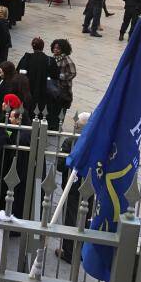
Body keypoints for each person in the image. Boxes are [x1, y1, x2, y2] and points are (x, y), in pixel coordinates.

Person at [56, 112, 92, 263]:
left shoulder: (70, 142)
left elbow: (59, 166)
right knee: (86, 217)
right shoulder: (95, 142)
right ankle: (82, 251)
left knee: (70, 218)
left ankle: (69, 252)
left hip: (73, 186)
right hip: (89, 186)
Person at [17, 37, 56, 120]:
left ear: (32, 46)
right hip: (44, 95)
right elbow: (55, 76)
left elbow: (19, 73)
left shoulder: (26, 58)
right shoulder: (50, 61)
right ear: (43, 46)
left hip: (27, 93)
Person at [46, 39, 75, 131]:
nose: (55, 50)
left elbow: (72, 73)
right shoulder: (53, 58)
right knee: (53, 108)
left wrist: (60, 76)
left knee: (60, 109)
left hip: (63, 89)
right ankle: (51, 125)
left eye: (58, 48)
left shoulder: (66, 60)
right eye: (54, 48)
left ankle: (57, 127)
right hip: (53, 88)